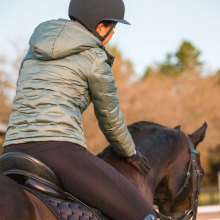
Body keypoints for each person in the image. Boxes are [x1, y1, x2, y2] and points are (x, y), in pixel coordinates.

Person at [3, 0, 156, 219]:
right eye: (113, 28)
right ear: (101, 27)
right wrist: (130, 153)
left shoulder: (33, 50)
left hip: (11, 150)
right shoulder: (94, 57)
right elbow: (110, 118)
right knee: (143, 214)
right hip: (59, 151)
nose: (113, 35)